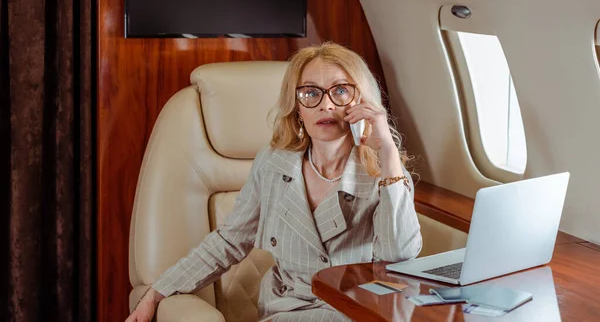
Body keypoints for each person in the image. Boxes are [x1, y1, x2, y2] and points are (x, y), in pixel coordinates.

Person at [125, 42, 422, 322]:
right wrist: (158, 292)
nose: (326, 105)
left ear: (361, 101)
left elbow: (399, 257)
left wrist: (389, 155)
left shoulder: (386, 173)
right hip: (290, 309)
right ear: (297, 107)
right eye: (311, 93)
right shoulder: (272, 164)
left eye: (341, 91)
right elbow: (229, 241)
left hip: (356, 310)